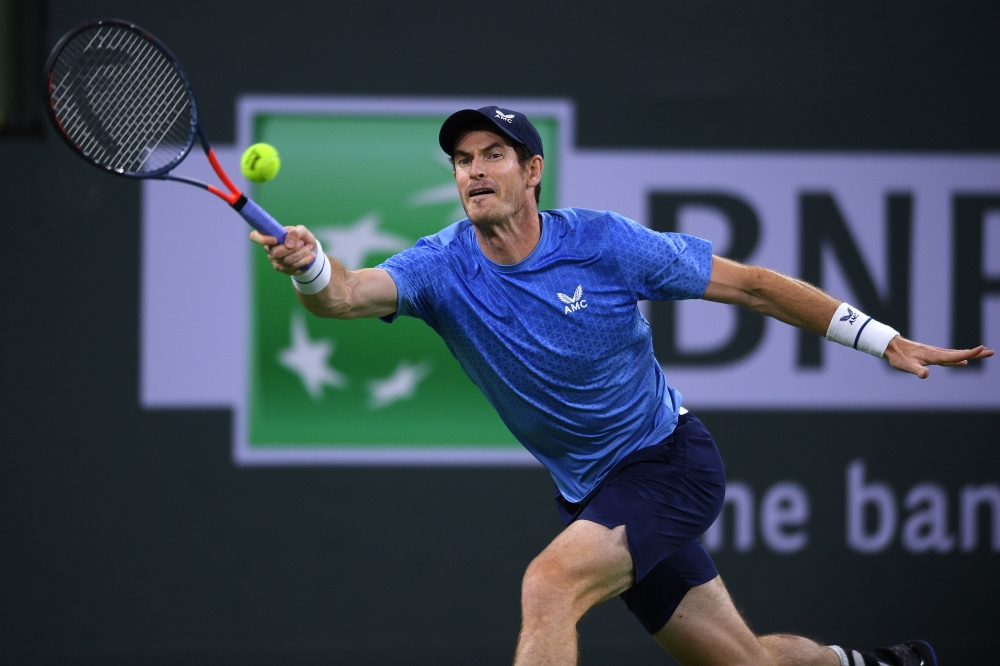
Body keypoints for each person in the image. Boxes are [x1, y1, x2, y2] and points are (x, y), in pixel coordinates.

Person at [249, 106, 992, 666]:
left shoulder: (603, 244)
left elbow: (758, 288)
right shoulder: (441, 265)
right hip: (593, 493)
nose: (473, 170)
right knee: (746, 663)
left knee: (548, 586)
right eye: (462, 160)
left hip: (668, 465)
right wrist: (312, 266)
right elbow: (345, 295)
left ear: (532, 171)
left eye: (493, 155)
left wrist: (879, 338)